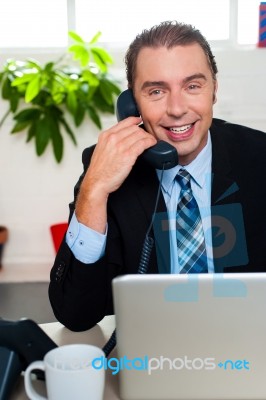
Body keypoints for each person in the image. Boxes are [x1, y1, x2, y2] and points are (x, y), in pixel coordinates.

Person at [49, 21, 266, 332]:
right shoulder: (107, 167)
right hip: (152, 350)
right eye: (156, 91)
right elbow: (75, 314)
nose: (176, 109)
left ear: (214, 90)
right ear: (132, 104)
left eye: (192, 86)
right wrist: (94, 190)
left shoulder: (259, 158)